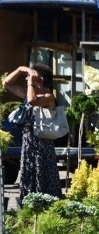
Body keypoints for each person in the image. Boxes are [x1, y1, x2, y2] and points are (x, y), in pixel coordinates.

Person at [2, 63, 61, 200]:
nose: (27, 78)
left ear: (39, 79)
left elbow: (32, 100)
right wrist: (20, 69)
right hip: (28, 143)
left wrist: (31, 83)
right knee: (29, 176)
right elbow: (7, 83)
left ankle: (46, 207)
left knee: (43, 177)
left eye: (30, 76)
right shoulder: (31, 91)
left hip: (43, 145)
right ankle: (29, 207)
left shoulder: (48, 96)